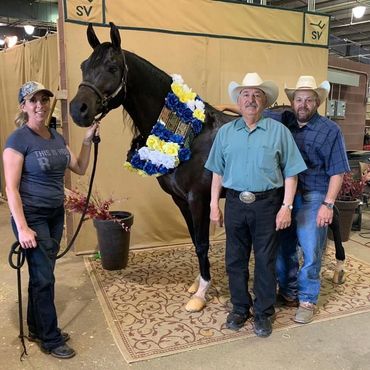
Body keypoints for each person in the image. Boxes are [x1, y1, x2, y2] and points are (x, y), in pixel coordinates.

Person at [205, 72, 307, 337]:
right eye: (246, 94)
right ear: (238, 101)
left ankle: (263, 313)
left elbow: (291, 173)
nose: (250, 99)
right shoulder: (226, 133)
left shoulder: (279, 132)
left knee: (265, 260)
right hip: (236, 204)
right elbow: (217, 171)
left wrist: (286, 207)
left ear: (264, 102)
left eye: (257, 94)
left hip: (268, 205)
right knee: (234, 260)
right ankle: (240, 308)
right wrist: (214, 205)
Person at [3, 81, 98, 359]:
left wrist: (86, 140)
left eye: (44, 100)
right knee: (45, 278)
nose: (40, 105)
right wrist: (22, 227)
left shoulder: (56, 138)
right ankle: (50, 338)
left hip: (56, 215)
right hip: (32, 216)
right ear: (24, 106)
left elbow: (79, 168)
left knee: (41, 275)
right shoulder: (18, 140)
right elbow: (11, 188)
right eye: (33, 101)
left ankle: (36, 327)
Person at [276, 75, 350, 324]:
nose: (303, 104)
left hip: (314, 195)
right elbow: (253, 112)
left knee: (310, 251)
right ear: (292, 102)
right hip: (286, 195)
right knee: (283, 248)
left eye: (309, 100)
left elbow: (338, 170)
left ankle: (307, 298)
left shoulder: (331, 130)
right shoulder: (284, 123)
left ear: (317, 102)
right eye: (299, 99)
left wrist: (328, 204)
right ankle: (288, 292)